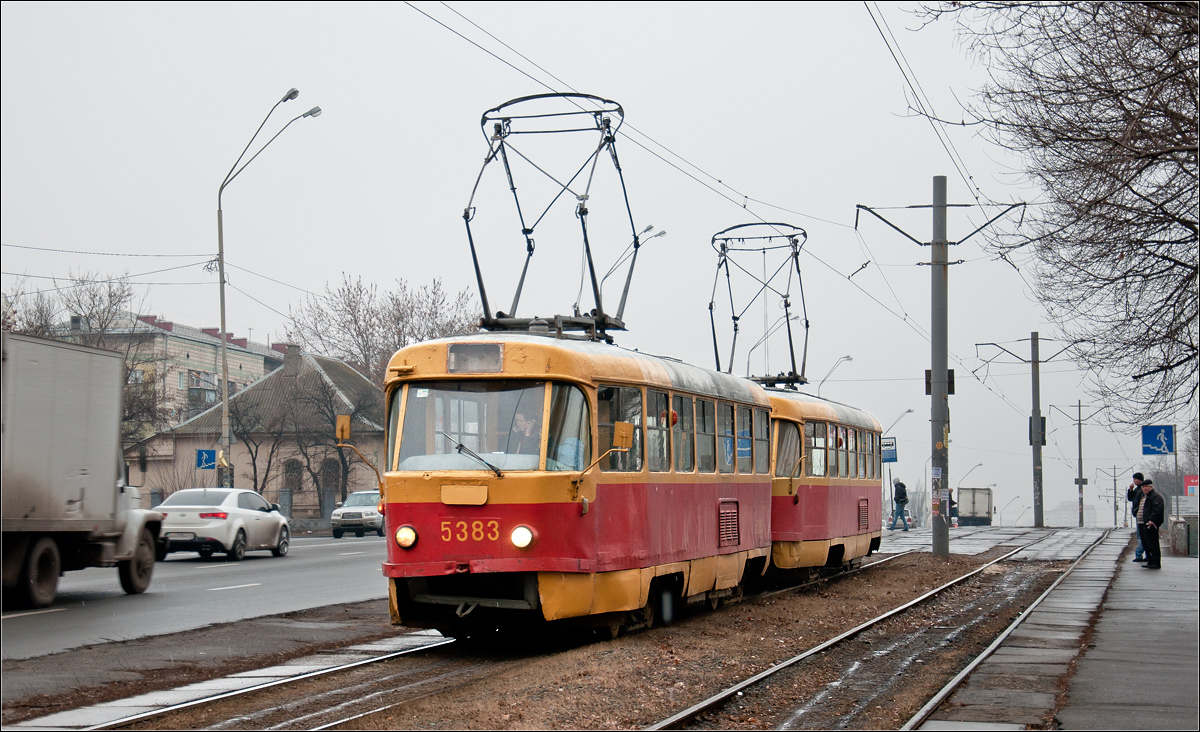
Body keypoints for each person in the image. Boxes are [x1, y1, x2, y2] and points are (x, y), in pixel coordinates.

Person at [1136, 478, 1165, 570]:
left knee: (1152, 544)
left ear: (1151, 487)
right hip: (1142, 523)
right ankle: (1150, 561)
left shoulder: (1155, 497)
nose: (1144, 488)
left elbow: (1157, 510)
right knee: (1146, 544)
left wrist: (1152, 520)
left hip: (1150, 524)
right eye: (1143, 487)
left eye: (1146, 487)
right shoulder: (1146, 497)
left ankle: (1155, 563)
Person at [1127, 472, 1146, 562]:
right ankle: (1144, 555)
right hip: (1138, 514)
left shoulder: (1142, 490)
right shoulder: (1137, 489)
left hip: (1141, 515)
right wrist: (1130, 490)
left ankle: (1139, 555)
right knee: (1142, 536)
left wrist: (1137, 511)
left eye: (1135, 479)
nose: (1134, 481)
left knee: (1141, 536)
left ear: (1140, 479)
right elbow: (1130, 499)